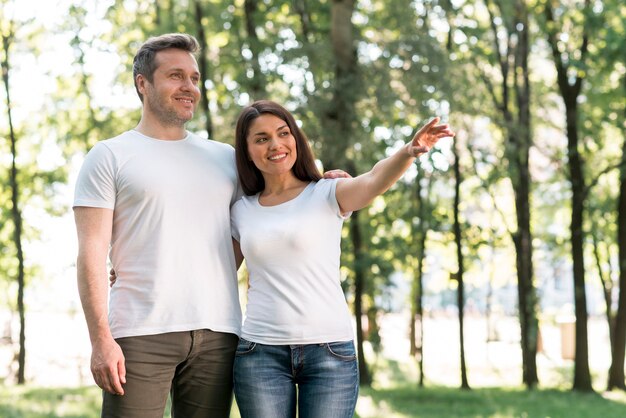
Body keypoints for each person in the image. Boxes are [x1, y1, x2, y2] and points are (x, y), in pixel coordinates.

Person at [230, 100, 454, 418]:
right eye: (262, 138)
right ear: (248, 150)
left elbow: (374, 181)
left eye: (283, 133)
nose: (276, 144)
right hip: (259, 352)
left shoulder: (327, 192)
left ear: (296, 139)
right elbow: (220, 270)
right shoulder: (241, 210)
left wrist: (408, 151)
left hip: (329, 352)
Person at [73, 33, 243, 418]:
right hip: (137, 332)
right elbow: (90, 254)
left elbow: (268, 210)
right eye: (176, 76)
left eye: (195, 78)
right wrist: (101, 340)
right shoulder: (109, 156)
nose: (189, 88)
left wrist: (327, 181)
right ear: (142, 83)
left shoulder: (226, 159)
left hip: (219, 333)